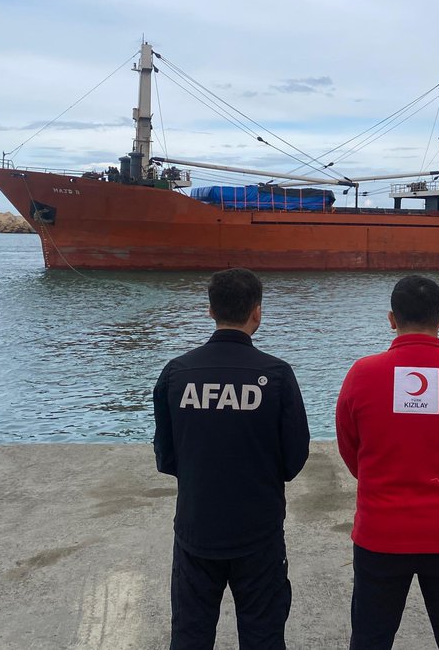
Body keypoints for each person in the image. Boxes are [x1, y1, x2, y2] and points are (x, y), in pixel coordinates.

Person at [335, 275, 439, 649]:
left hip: (380, 531)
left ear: (391, 319)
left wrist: (377, 478)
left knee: (370, 637)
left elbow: (350, 447)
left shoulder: (362, 374)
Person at [153, 268, 310, 650]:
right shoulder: (276, 375)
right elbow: (294, 459)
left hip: (196, 530)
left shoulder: (177, 373)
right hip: (258, 533)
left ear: (209, 310)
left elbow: (166, 457)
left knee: (190, 636)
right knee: (263, 635)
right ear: (257, 311)